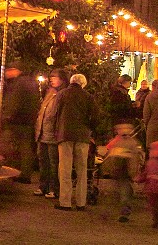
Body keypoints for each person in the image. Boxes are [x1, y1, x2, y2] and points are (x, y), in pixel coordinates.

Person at [54, 72, 94, 211]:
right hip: (82, 137)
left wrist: (56, 132)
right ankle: (81, 202)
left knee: (65, 169)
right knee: (82, 170)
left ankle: (65, 202)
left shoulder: (62, 94)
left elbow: (55, 114)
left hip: (65, 135)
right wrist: (90, 130)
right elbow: (95, 116)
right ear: (83, 84)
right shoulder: (88, 97)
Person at [0, 63, 40, 184]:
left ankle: (4, 167)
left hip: (18, 120)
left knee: (5, 142)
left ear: (14, 70)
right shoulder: (30, 82)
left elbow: (14, 101)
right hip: (28, 120)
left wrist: (7, 116)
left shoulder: (19, 83)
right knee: (26, 147)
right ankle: (25, 173)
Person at [34, 69, 67, 199]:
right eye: (51, 77)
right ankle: (43, 186)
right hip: (42, 133)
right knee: (43, 161)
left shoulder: (62, 94)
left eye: (55, 77)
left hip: (53, 134)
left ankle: (54, 188)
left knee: (54, 162)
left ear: (62, 79)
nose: (52, 79)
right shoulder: (50, 92)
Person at [104, 121, 143, 223]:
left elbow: (109, 157)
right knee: (121, 192)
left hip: (124, 173)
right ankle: (123, 210)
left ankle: (124, 213)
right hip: (120, 172)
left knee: (124, 192)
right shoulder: (127, 143)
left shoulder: (122, 142)